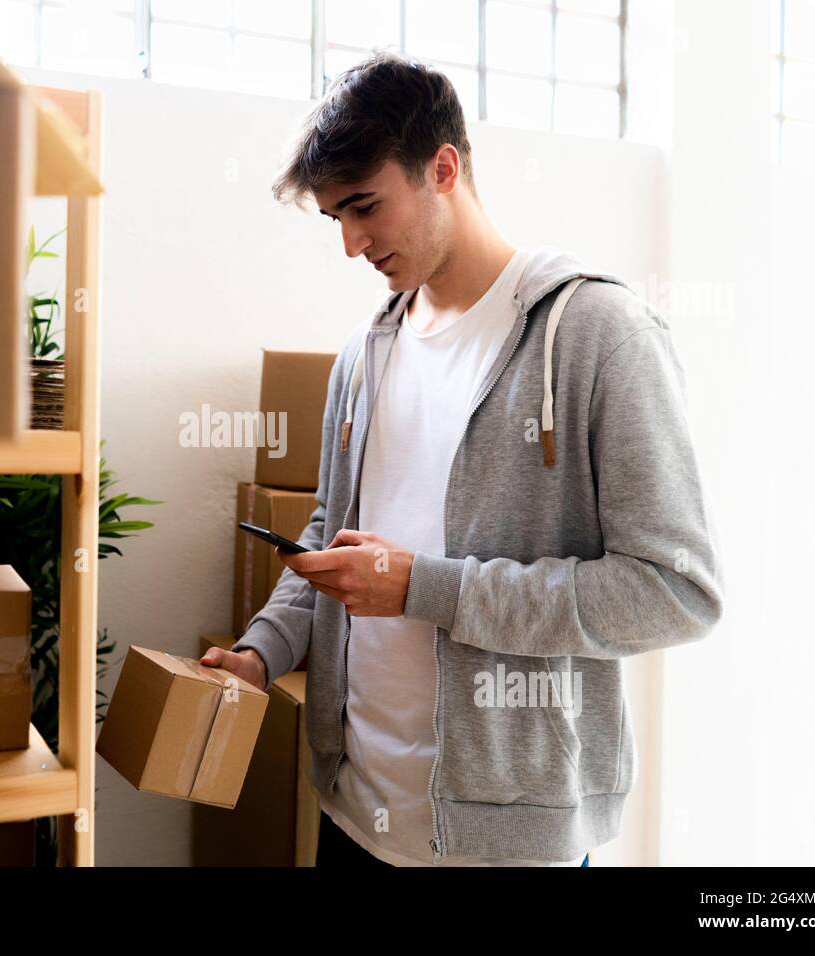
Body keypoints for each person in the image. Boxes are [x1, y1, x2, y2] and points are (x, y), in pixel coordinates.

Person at [200, 50, 724, 867]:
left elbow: (675, 592)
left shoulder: (595, 336)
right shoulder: (363, 356)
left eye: (365, 207)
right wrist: (263, 651)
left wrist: (422, 587)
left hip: (506, 844)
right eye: (336, 216)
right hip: (352, 812)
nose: (350, 244)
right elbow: (328, 535)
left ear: (443, 167)